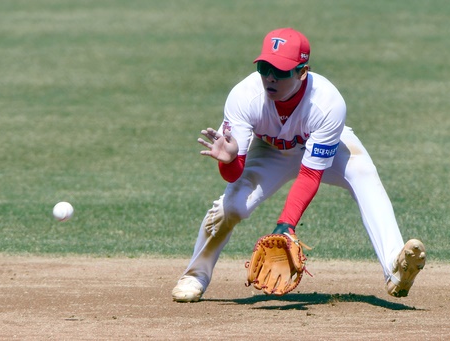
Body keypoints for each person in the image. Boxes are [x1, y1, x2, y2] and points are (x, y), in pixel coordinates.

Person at [171, 28, 426, 303]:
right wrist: (231, 161)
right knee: (232, 206)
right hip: (269, 152)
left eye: (280, 71)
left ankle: (395, 268)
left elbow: (310, 173)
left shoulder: (327, 103)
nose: (270, 77)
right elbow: (233, 174)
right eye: (264, 67)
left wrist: (286, 225)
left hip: (320, 151)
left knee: (363, 173)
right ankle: (195, 275)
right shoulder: (244, 97)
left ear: (302, 72)